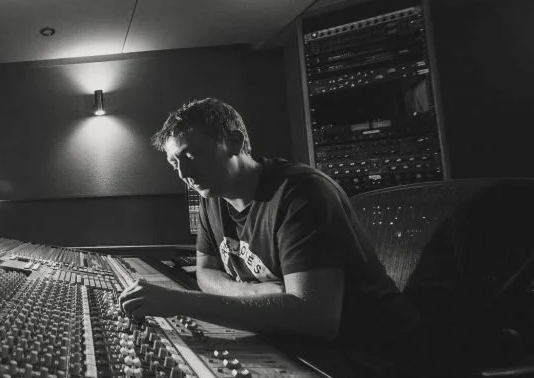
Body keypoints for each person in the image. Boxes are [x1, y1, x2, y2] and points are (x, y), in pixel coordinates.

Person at [119, 97, 419, 344]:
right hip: (293, 344)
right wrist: (255, 293)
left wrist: (177, 302)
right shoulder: (211, 198)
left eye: (192, 155)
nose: (183, 174)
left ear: (234, 143)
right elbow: (205, 272)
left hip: (370, 357)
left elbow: (315, 316)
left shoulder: (301, 193)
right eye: (175, 163)